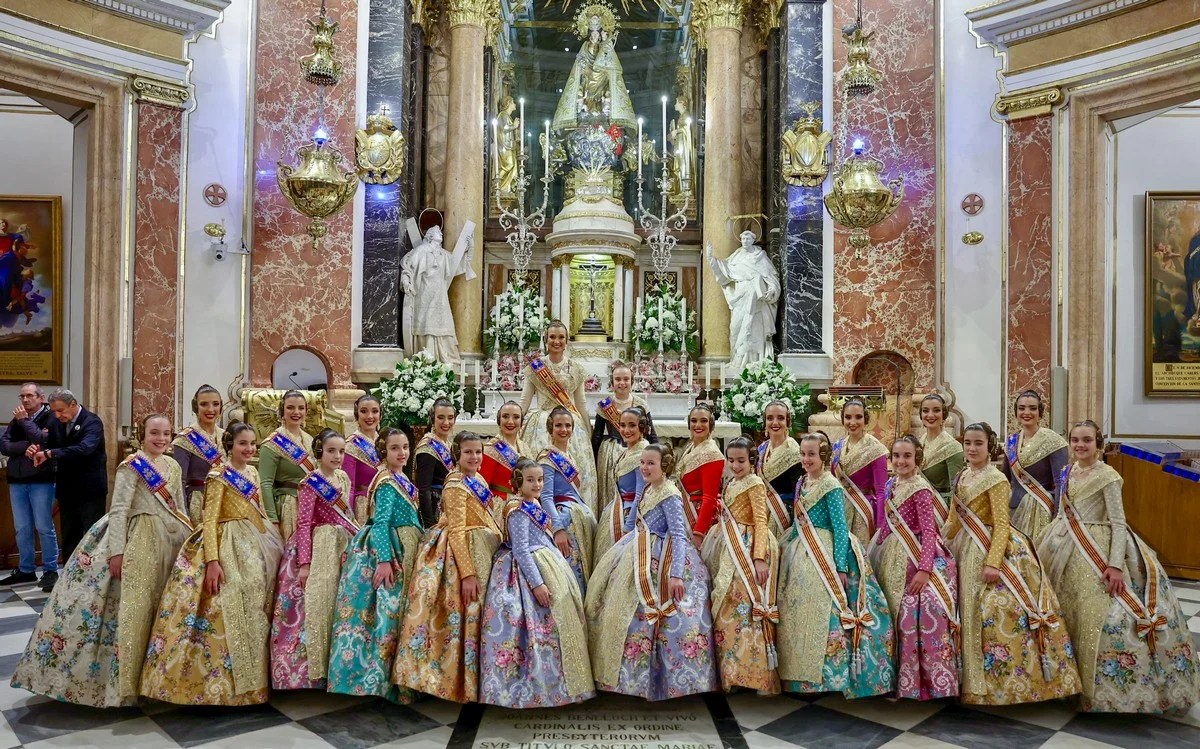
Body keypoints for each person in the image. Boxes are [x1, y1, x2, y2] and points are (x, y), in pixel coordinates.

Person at [11, 414, 189, 707]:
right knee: (135, 607)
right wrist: (116, 552)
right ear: (142, 435)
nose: (161, 438)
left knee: (164, 608)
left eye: (166, 433)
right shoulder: (131, 467)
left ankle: (157, 677)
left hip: (170, 541)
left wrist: (189, 539)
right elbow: (119, 511)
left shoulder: (172, 465)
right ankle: (125, 683)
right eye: (155, 433)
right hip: (137, 540)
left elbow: (179, 507)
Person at [1037, 421, 1198, 713]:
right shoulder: (1067, 471)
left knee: (1097, 615)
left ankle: (1099, 693)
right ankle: (1062, 681)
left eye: (1086, 440)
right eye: (1075, 440)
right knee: (1063, 613)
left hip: (1099, 546)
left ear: (1098, 444)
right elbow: (1062, 510)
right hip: (1062, 544)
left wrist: (1115, 565)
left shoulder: (1108, 476)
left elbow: (1118, 522)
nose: (1080, 445)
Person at [140, 422, 284, 705]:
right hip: (225, 541)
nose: (249, 449)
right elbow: (209, 518)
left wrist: (273, 536)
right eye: (243, 443)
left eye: (253, 444)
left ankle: (258, 681)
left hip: (255, 542)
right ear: (230, 445)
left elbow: (263, 511)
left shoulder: (252, 471)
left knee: (259, 602)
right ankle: (227, 686)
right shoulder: (218, 475)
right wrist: (213, 561)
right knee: (230, 599)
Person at [946, 422, 1079, 705]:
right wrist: (942, 543)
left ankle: (982, 686)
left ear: (989, 446)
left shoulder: (996, 478)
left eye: (978, 443)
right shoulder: (961, 477)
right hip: (962, 547)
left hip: (987, 549)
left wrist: (993, 563)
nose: (971, 448)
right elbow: (953, 518)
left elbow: (1002, 525)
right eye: (968, 443)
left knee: (976, 611)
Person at [586, 444, 719, 701]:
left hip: (663, 558)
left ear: (664, 466)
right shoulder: (649, 487)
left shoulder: (669, 493)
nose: (645, 468)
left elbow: (679, 535)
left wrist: (676, 574)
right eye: (643, 463)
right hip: (637, 549)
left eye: (651, 463)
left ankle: (664, 680)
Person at [777, 433, 895, 698]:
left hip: (826, 552)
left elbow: (841, 529)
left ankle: (825, 678)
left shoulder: (831, 485)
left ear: (824, 457)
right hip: (799, 550)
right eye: (803, 455)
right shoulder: (801, 482)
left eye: (811, 455)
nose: (806, 460)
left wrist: (840, 567)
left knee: (824, 610)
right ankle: (795, 676)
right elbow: (798, 521)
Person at [394, 432, 502, 703]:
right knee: (459, 614)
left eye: (478, 452)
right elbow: (456, 531)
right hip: (458, 555)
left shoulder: (476, 478)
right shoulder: (455, 484)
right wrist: (467, 574)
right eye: (468, 452)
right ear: (457, 454)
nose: (475, 457)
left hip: (481, 547)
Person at [479, 459, 595, 708]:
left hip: (547, 562)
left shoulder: (534, 504)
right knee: (534, 630)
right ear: (519, 482)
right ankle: (532, 690)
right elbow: (521, 550)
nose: (537, 484)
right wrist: (537, 584)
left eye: (540, 479)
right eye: (531, 480)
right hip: (527, 573)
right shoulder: (518, 509)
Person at [328, 428, 423, 701]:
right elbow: (380, 522)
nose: (402, 452)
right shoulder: (385, 481)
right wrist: (383, 560)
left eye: (405, 447)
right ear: (384, 451)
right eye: (395, 448)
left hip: (408, 544)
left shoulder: (401, 477)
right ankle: (382, 681)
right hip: (391, 549)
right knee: (387, 615)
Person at [868, 435, 959, 701]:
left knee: (910, 617)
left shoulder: (920, 488)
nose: (901, 461)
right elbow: (885, 522)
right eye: (896, 456)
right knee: (886, 612)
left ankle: (915, 682)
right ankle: (888, 677)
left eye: (907, 456)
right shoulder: (890, 484)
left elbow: (930, 532)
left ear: (917, 458)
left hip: (914, 556)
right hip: (887, 553)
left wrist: (924, 569)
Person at [269, 429, 358, 690]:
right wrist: (305, 563)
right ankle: (315, 670)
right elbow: (304, 522)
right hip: (320, 546)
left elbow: (348, 513)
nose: (337, 456)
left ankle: (339, 664)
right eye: (331, 450)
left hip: (343, 543)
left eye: (341, 451)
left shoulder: (343, 477)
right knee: (318, 601)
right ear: (319, 451)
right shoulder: (310, 482)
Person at [701, 436, 780, 694]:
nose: (735, 466)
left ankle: (755, 676)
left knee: (746, 607)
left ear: (752, 461)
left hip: (747, 549)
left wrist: (759, 557)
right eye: (731, 461)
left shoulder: (755, 483)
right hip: (728, 546)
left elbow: (760, 521)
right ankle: (731, 673)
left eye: (741, 461)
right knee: (727, 609)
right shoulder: (732, 482)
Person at [519, 320, 597, 513]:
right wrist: (514, 426)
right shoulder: (535, 367)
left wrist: (588, 431)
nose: (556, 341)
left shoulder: (576, 368)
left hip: (571, 425)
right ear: (546, 339)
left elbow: (581, 403)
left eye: (561, 337)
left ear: (567, 340)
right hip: (541, 426)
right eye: (552, 337)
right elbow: (524, 401)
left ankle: (576, 516)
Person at [27, 389, 108, 561]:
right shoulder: (56, 422)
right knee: (70, 536)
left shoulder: (92, 422)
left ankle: (94, 581)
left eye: (60, 410)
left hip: (90, 491)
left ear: (73, 404)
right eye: (54, 410)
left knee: (93, 536)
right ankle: (68, 581)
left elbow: (85, 449)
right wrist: (37, 450)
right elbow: (47, 444)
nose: (56, 415)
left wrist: (50, 453)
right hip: (67, 489)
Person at [0, 383, 59, 591]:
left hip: (41, 479)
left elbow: (44, 439)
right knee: (22, 527)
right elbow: (4, 445)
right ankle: (26, 569)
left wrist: (25, 422)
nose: (25, 400)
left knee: (44, 526)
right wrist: (25, 447)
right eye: (22, 396)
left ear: (41, 398)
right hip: (17, 479)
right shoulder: (17, 419)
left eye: (29, 396)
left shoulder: (50, 417)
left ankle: (51, 570)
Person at [400, 219, 475, 365]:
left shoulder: (444, 255)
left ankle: (444, 356)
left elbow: (460, 266)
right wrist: (406, 281)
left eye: (440, 232)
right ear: (429, 236)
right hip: (424, 293)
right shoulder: (420, 251)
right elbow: (408, 268)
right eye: (437, 232)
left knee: (443, 322)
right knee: (425, 322)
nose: (440, 233)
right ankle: (425, 356)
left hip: (440, 295)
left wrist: (470, 247)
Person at [704, 231, 782, 373]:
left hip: (756, 301)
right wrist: (711, 259)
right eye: (743, 238)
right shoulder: (736, 258)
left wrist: (771, 290)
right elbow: (723, 275)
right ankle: (736, 359)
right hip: (740, 299)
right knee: (735, 329)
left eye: (748, 238)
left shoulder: (760, 258)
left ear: (753, 240)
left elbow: (772, 278)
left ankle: (754, 363)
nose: (745, 240)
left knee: (753, 331)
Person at [539, 406, 596, 590]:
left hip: (577, 518)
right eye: (558, 426)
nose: (563, 430)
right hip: (563, 520)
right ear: (550, 429)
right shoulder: (547, 458)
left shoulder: (568, 455)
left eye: (567, 425)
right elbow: (545, 496)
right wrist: (557, 528)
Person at [1002, 390, 1069, 541]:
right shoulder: (1011, 441)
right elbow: (1004, 479)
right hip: (1014, 509)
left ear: (1040, 412)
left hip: (1042, 512)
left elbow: (1061, 483)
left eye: (1032, 408)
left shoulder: (1054, 441)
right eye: (1021, 408)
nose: (1027, 412)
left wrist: (1058, 518)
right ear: (1016, 412)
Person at [592, 362, 656, 510]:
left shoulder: (641, 404)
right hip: (610, 454)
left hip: (638, 452)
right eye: (618, 379)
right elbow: (597, 436)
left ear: (632, 381)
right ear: (612, 383)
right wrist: (593, 461)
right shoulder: (604, 405)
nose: (622, 383)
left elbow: (651, 434)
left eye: (626, 379)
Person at [593, 406, 648, 563]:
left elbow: (640, 493)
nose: (626, 430)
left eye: (632, 425)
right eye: (622, 425)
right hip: (618, 509)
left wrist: (628, 527)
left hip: (631, 515)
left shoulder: (642, 453)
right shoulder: (629, 451)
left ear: (642, 427)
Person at [259, 390, 316, 541]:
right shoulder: (272, 443)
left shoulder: (310, 440)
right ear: (282, 410)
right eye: (290, 407)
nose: (296, 412)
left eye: (301, 408)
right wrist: (273, 520)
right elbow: (265, 483)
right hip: (287, 506)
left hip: (309, 504)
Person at [832, 397, 888, 545]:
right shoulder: (838, 446)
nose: (853, 422)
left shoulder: (876, 448)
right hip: (840, 510)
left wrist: (880, 525)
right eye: (848, 417)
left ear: (866, 419)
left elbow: (882, 490)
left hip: (863, 512)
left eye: (858, 417)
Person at [172, 384, 225, 526]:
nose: (210, 409)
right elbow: (179, 482)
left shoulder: (226, 436)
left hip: (224, 502)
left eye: (215, 404)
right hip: (198, 504)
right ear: (196, 407)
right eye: (204, 404)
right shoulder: (184, 439)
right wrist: (183, 515)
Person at [677, 403, 725, 543]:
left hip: (700, 517)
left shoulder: (712, 453)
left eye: (703, 421)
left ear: (711, 424)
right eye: (694, 421)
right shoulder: (691, 447)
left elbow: (710, 498)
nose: (698, 425)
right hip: (686, 511)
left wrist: (699, 532)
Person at [758, 400, 802, 535]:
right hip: (761, 513)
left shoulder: (795, 451)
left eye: (780, 418)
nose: (775, 423)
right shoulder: (762, 448)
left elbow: (798, 491)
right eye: (770, 418)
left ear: (788, 422)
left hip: (784, 514)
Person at [480, 400, 526, 527]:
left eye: (516, 417)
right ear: (499, 420)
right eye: (505, 416)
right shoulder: (491, 448)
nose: (510, 422)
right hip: (500, 508)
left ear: (522, 422)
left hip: (524, 505)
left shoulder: (525, 448)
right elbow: (482, 487)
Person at [918, 393, 962, 525]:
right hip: (919, 506)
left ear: (944, 414)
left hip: (939, 512)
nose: (930, 415)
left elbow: (956, 491)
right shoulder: (920, 441)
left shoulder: (953, 447)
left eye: (936, 410)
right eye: (925, 411)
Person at [414, 398, 458, 527]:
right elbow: (423, 489)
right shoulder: (428, 447)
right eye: (441, 417)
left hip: (449, 505)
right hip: (436, 509)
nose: (446, 422)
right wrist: (429, 524)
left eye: (450, 418)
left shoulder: (448, 443)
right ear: (432, 419)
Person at [343, 394, 383, 525]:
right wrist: (349, 518)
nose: (370, 416)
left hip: (385, 502)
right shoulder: (351, 445)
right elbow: (349, 486)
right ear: (356, 414)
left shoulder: (386, 441)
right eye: (364, 411)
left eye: (375, 411)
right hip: (363, 507)